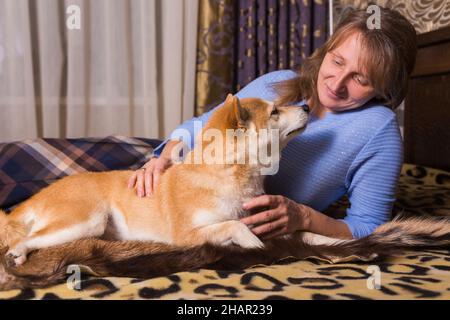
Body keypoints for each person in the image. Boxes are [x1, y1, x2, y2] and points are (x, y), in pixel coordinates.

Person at [127, 7, 417, 240]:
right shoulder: (274, 84)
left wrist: (303, 217)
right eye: (337, 61)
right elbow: (202, 125)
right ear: (326, 51)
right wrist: (163, 155)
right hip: (191, 182)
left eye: (360, 79)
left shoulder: (378, 132)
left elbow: (369, 228)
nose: (337, 83)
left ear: (384, 89)